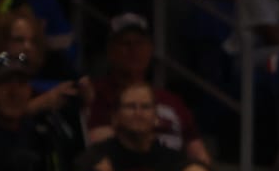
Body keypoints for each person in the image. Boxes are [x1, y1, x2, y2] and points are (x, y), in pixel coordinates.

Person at [85, 14, 211, 162]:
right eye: (125, 43)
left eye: (140, 43)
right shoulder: (94, 94)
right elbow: (94, 140)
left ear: (150, 49)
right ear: (110, 50)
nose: (133, 50)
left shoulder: (171, 100)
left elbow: (197, 151)